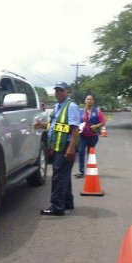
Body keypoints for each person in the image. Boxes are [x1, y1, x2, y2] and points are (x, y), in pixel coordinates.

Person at [33, 82, 80, 216]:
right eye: (57, 90)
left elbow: (75, 129)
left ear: (67, 92)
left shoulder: (71, 107)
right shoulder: (58, 107)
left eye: (61, 90)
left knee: (58, 177)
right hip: (60, 146)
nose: (58, 93)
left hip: (66, 146)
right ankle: (67, 202)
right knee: (63, 176)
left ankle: (57, 207)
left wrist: (71, 148)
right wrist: (41, 125)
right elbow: (55, 126)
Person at [75, 95, 106, 178]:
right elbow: (76, 121)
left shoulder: (97, 111)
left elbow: (103, 122)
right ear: (85, 101)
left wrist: (96, 126)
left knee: (90, 153)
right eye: (87, 99)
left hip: (93, 136)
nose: (89, 100)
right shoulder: (81, 111)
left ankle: (90, 170)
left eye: (91, 99)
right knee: (81, 152)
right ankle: (81, 172)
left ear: (93, 101)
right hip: (83, 136)